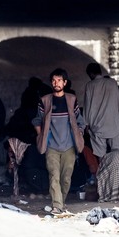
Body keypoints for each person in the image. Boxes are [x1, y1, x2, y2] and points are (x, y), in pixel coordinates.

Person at [32, 68, 85, 214]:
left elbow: (81, 121)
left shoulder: (71, 100)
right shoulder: (45, 101)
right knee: (53, 175)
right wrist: (41, 135)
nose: (56, 83)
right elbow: (37, 120)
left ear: (65, 82)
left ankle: (61, 201)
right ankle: (57, 205)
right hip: (51, 147)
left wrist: (79, 134)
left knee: (66, 178)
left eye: (59, 80)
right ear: (51, 82)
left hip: (69, 146)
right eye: (54, 80)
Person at [83, 62, 119, 162]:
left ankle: (105, 174)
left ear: (90, 74)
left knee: (101, 154)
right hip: (113, 122)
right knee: (118, 151)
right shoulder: (112, 82)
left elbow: (87, 106)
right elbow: (118, 101)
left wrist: (86, 124)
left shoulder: (90, 85)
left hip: (97, 123)